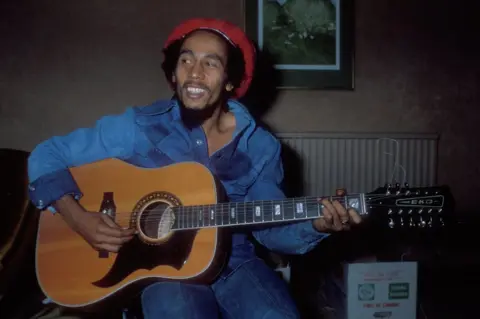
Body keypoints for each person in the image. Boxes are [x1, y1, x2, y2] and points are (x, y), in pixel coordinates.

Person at [27, 18, 362, 319]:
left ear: (231, 82)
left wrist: (317, 225)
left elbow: (271, 230)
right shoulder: (139, 126)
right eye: (185, 60)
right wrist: (77, 217)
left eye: (210, 63)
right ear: (174, 75)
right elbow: (47, 154)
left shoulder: (261, 146)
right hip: (158, 268)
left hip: (235, 264)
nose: (195, 72)